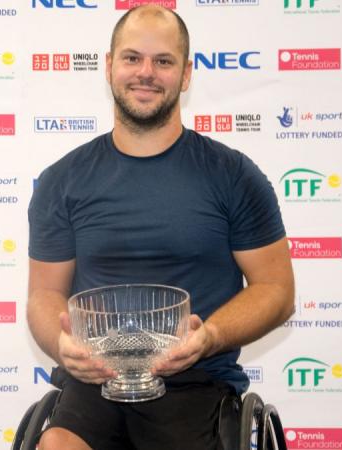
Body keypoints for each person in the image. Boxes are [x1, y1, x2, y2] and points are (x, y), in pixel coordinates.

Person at [26, 5, 295, 450]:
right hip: (96, 380)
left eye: (163, 61)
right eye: (132, 58)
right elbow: (43, 295)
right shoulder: (62, 181)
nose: (146, 73)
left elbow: (276, 289)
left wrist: (208, 336)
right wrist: (61, 344)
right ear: (108, 66)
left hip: (195, 381)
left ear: (186, 74)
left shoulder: (233, 175)